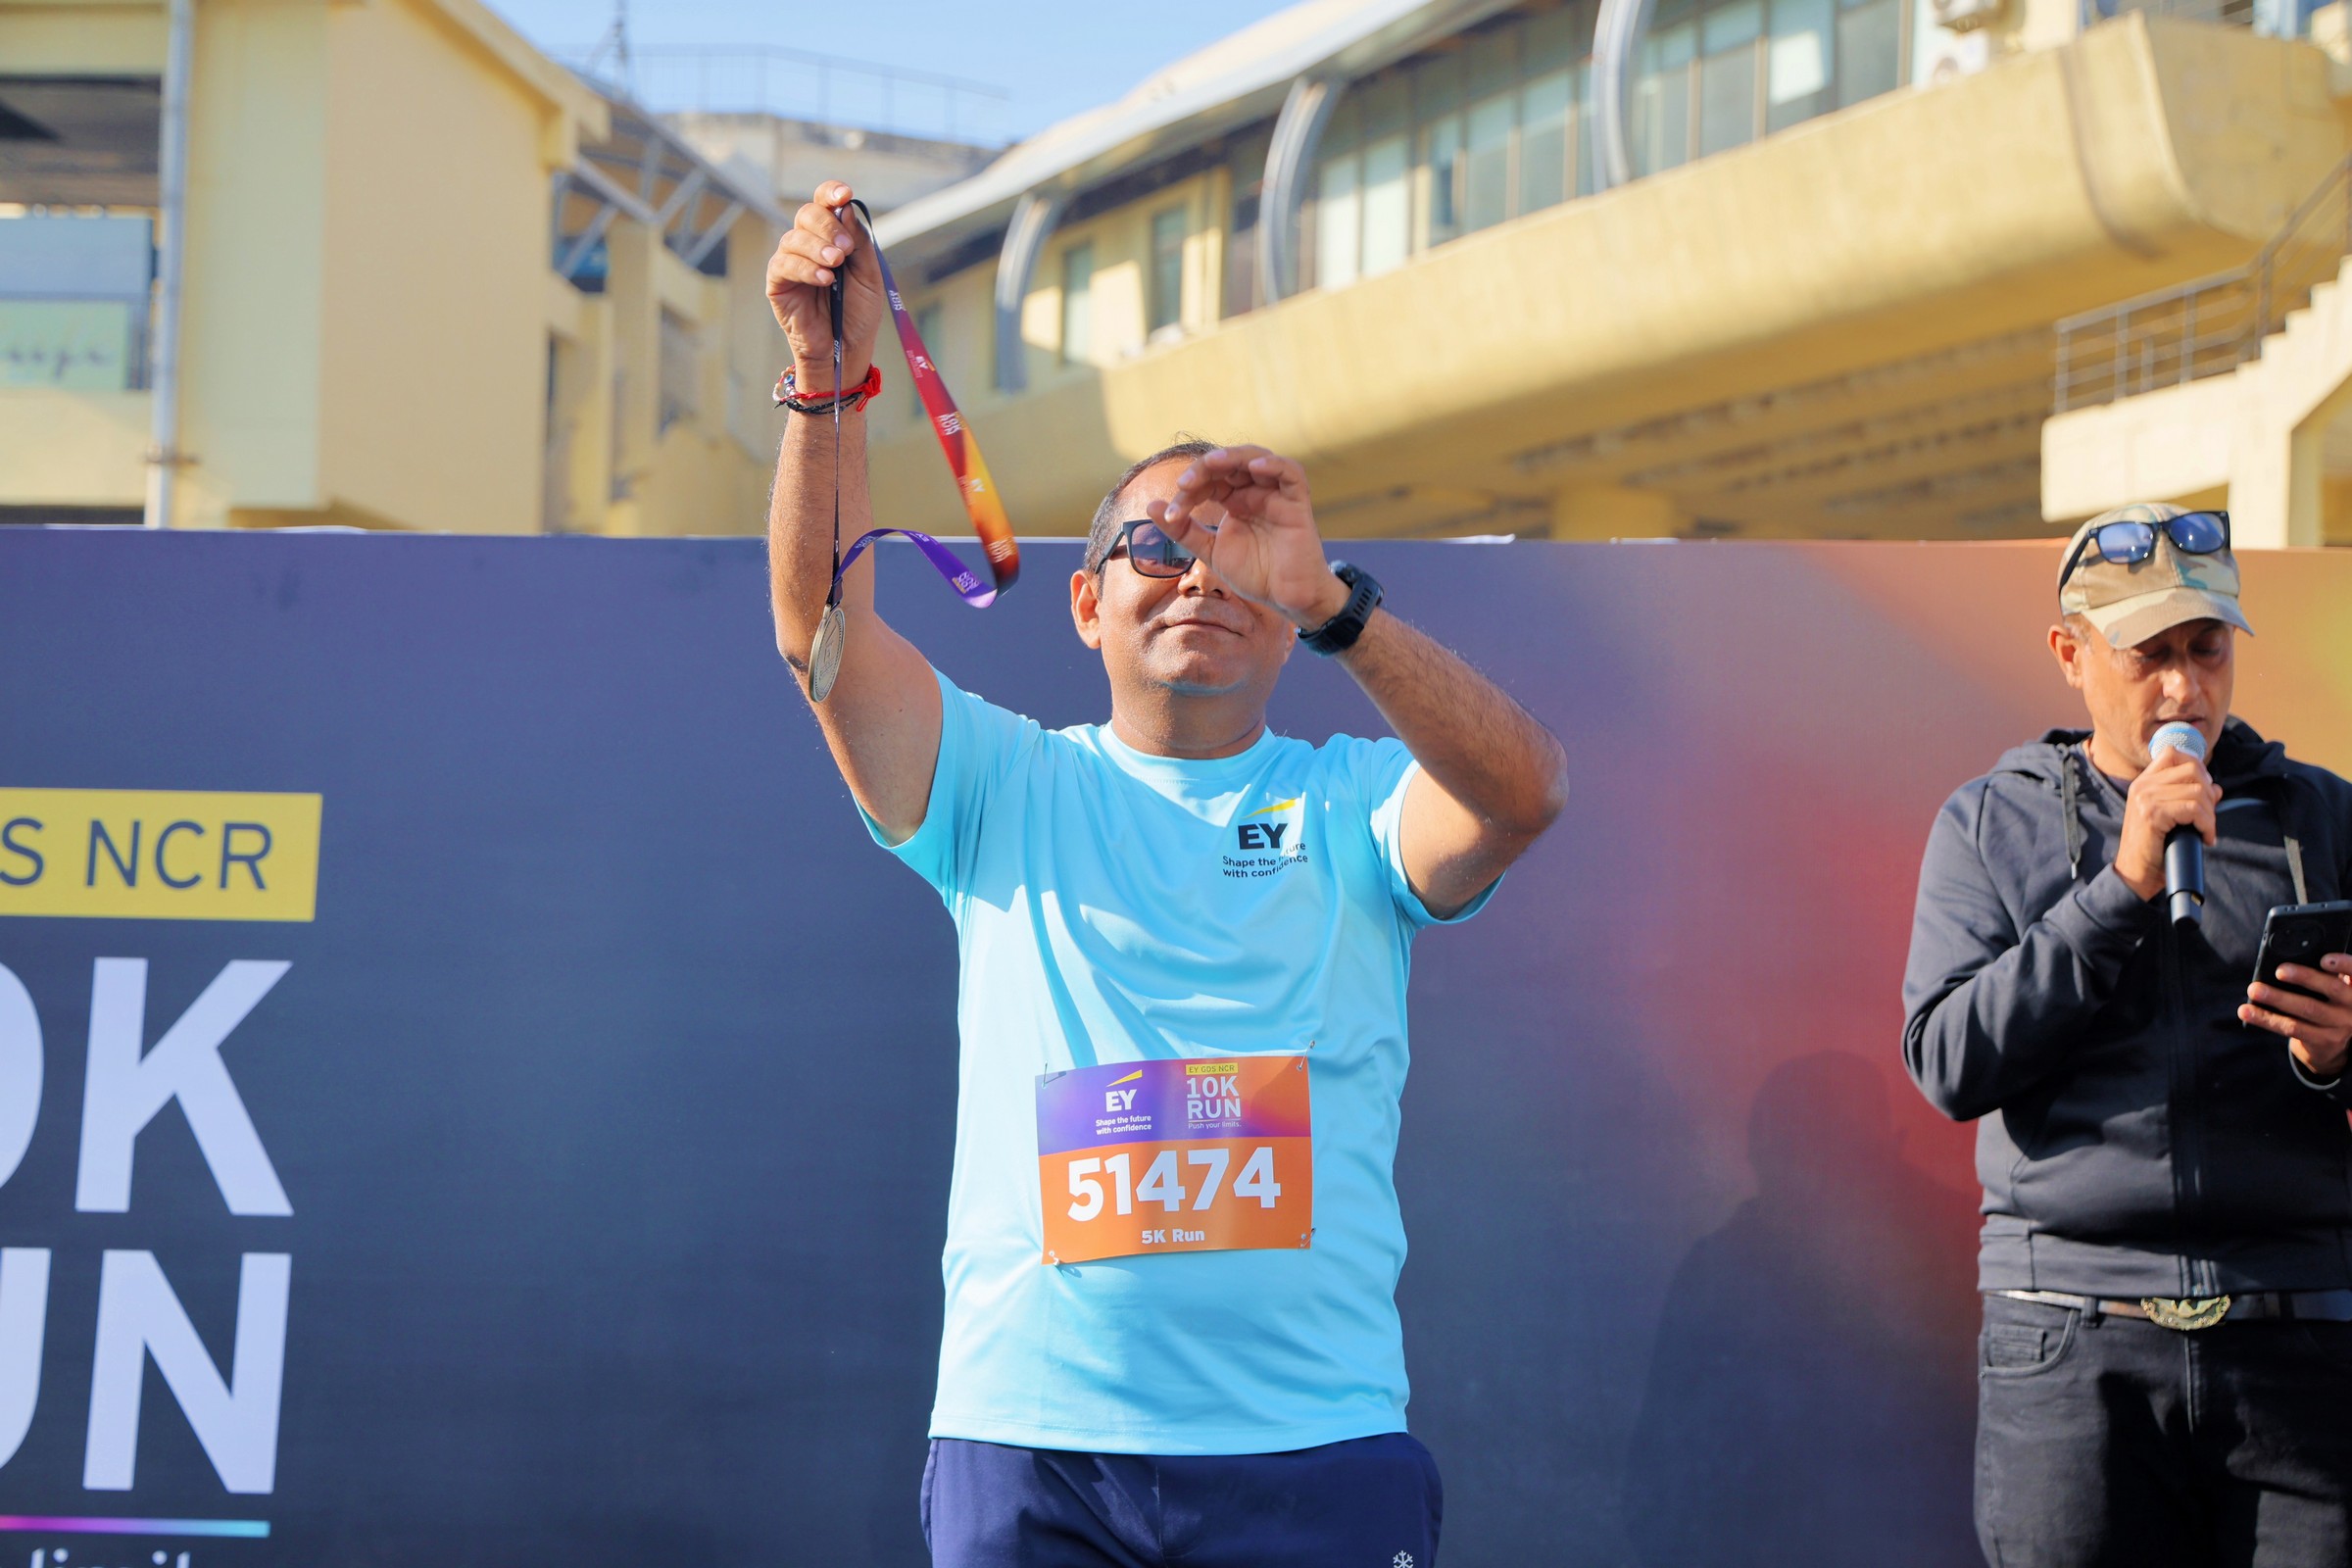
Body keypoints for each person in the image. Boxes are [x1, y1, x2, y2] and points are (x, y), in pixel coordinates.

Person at [763, 182, 1567, 1567]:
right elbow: (819, 635)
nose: (1196, 577)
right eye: (1154, 544)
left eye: (1232, 555)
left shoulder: (1353, 800)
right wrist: (826, 375)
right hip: (1035, 1451)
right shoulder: (1002, 782)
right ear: (1086, 603)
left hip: (1312, 1448)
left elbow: (1523, 791)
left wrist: (1339, 605)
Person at [1900, 503, 2352, 1568]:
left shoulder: (2323, 818)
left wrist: (2341, 1054)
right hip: (2070, 1345)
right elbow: (1948, 1062)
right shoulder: (1990, 824)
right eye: (2150, 655)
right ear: (2072, 654)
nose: (2185, 690)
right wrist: (2121, 887)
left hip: (2297, 1344)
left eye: (2208, 649)